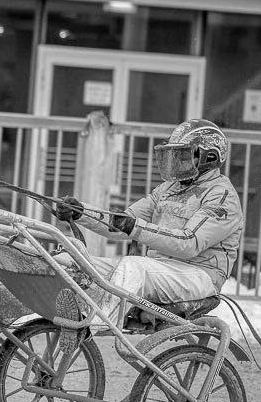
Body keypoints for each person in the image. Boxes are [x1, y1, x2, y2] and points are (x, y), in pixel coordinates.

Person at [53, 118, 244, 326]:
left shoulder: (222, 196)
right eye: (174, 155)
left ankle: (94, 326)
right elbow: (121, 224)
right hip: (159, 270)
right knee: (72, 261)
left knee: (134, 267)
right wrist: (81, 212)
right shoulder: (168, 189)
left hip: (199, 276)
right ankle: (64, 317)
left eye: (182, 155)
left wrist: (133, 227)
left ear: (209, 157)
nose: (175, 161)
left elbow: (188, 243)